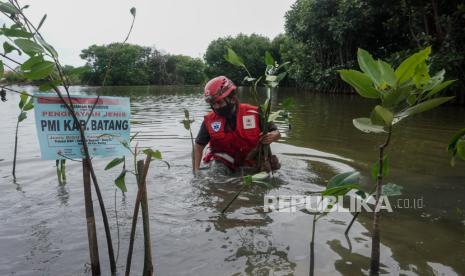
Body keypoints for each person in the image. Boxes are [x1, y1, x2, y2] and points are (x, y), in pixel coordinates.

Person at [194, 76, 281, 175]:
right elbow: (198, 147)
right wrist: (196, 171)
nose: (216, 107)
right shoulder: (209, 121)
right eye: (213, 104)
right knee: (216, 176)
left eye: (219, 102)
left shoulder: (255, 113)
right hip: (222, 163)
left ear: (233, 99)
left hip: (250, 163)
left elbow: (276, 132)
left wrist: (274, 135)